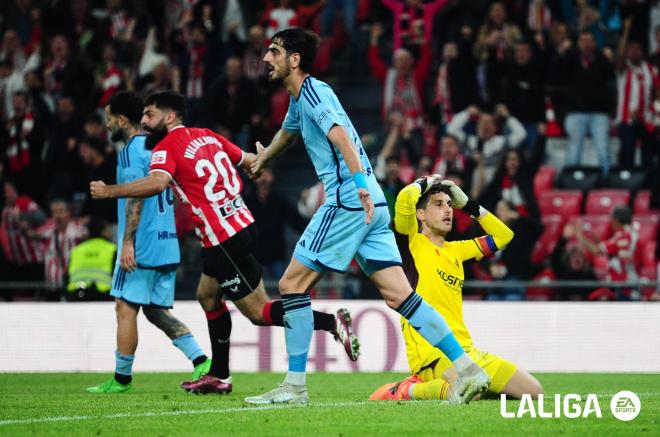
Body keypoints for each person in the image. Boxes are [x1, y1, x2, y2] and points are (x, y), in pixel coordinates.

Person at [244, 28, 491, 406]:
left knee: (292, 285)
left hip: (348, 199)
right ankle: (470, 369)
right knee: (401, 296)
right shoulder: (300, 100)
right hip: (373, 203)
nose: (266, 58)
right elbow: (286, 134)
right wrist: (263, 158)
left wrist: (357, 182)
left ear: (294, 59)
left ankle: (294, 387)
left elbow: (340, 135)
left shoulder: (312, 92)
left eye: (274, 52)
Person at [90, 90, 358, 395]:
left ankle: (330, 322)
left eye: (150, 115)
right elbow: (250, 162)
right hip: (239, 226)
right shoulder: (207, 136)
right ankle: (218, 374)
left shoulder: (165, 146)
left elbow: (157, 183)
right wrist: (258, 162)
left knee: (259, 312)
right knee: (207, 296)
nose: (144, 122)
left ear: (169, 117)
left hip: (223, 240)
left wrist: (110, 191)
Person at [369, 178, 543, 401]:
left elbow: (504, 236)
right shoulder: (410, 242)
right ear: (420, 214)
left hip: (467, 351)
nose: (448, 210)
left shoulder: (458, 251)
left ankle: (468, 384)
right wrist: (428, 181)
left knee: (534, 393)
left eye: (450, 204)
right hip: (431, 353)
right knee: (467, 390)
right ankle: (404, 390)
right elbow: (404, 199)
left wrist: (470, 206)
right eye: (438, 204)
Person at [87, 91, 211, 394]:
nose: (106, 126)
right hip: (167, 241)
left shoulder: (132, 150)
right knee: (155, 310)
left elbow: (136, 197)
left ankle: (121, 378)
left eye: (108, 119)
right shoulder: (157, 147)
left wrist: (127, 242)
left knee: (124, 307)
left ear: (120, 119)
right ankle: (201, 360)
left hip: (142, 244)